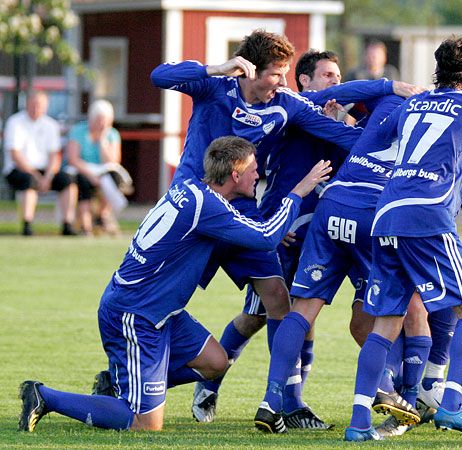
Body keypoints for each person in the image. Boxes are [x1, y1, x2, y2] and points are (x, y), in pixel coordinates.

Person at [17, 136, 331, 433]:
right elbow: (264, 238)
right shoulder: (208, 206)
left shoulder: (193, 190)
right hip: (136, 314)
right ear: (234, 175)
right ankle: (45, 396)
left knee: (215, 362)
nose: (257, 175)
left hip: (162, 311)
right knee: (145, 424)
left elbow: (246, 232)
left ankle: (121, 384)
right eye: (252, 170)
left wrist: (268, 227)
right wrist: (299, 192)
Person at [190, 48, 421, 427]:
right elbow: (271, 177)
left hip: (332, 227)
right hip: (288, 228)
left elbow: (362, 147)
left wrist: (352, 123)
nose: (336, 83)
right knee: (258, 316)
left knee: (309, 313)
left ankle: (294, 402)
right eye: (328, 75)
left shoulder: (335, 123)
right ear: (305, 82)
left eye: (338, 76)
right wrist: (272, 223)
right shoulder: (294, 113)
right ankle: (211, 385)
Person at [150, 30, 363, 429]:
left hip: (243, 214)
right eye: (276, 74)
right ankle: (130, 379)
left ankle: (287, 402)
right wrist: (216, 66)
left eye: (286, 75)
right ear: (248, 70)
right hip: (191, 214)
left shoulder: (286, 105)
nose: (282, 83)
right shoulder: (214, 86)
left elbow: (343, 135)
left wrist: (394, 119)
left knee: (277, 298)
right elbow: (159, 76)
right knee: (164, 301)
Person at [344, 36, 462, 442]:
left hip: (386, 213)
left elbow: (383, 141)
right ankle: (453, 406)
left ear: (437, 70)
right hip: (428, 216)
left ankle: (358, 424)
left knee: (386, 323)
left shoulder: (413, 103)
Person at [2, 90, 77, 236]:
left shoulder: (51, 125)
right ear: (27, 104)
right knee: (29, 181)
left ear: (46, 106)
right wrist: (37, 177)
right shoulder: (15, 122)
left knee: (68, 180)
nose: (36, 108)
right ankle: (27, 225)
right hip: (19, 170)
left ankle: (67, 224)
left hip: (45, 171)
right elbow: (16, 156)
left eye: (40, 105)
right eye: (33, 104)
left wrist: (48, 177)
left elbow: (55, 156)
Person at [66, 99, 133, 235]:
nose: (102, 123)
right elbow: (73, 159)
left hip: (102, 171)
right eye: (99, 119)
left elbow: (112, 161)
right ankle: (86, 223)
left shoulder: (112, 134)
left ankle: (102, 215)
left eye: (106, 120)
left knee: (112, 179)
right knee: (82, 182)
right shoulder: (79, 131)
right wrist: (91, 175)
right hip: (82, 169)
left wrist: (103, 141)